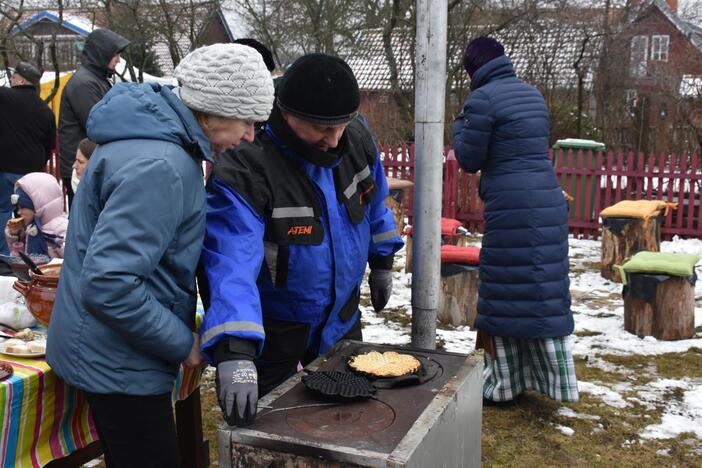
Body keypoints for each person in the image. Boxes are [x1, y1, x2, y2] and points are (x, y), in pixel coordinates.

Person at [46, 43, 274, 467]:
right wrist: (179, 341)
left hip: (112, 349)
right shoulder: (161, 164)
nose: (250, 136)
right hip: (119, 362)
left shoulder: (158, 143)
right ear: (213, 109)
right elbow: (109, 283)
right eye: (248, 120)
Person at [199, 53, 404, 427]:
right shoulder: (248, 165)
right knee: (267, 430)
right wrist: (236, 348)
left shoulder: (355, 139)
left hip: (341, 320)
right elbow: (230, 260)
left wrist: (383, 261)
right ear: (286, 113)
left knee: (347, 423)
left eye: (341, 125)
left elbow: (374, 203)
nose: (334, 138)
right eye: (321, 128)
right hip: (273, 329)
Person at [451, 37, 577, 403]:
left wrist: (459, 126)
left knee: (505, 288)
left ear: (474, 69)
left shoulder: (481, 100)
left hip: (510, 204)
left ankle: (503, 383)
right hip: (547, 198)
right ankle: (553, 380)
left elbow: (470, 158)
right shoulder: (533, 95)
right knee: (543, 287)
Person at [58, 28, 129, 208]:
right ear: (102, 54)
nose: (119, 60)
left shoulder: (95, 79)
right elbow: (99, 125)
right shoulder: (84, 83)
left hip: (90, 163)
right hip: (83, 167)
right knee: (86, 225)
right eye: (115, 54)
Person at [0, 62, 56, 256]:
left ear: (21, 80)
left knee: (5, 211)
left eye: (13, 77)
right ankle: (31, 253)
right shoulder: (45, 110)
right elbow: (49, 143)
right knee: (31, 216)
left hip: (6, 168)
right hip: (33, 174)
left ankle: (5, 255)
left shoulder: (5, 97)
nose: (11, 80)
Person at [4, 172, 68, 259]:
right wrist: (16, 237)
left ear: (37, 206)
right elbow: (19, 259)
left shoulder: (60, 230)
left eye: (23, 207)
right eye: (17, 208)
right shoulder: (29, 228)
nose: (19, 212)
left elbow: (72, 260)